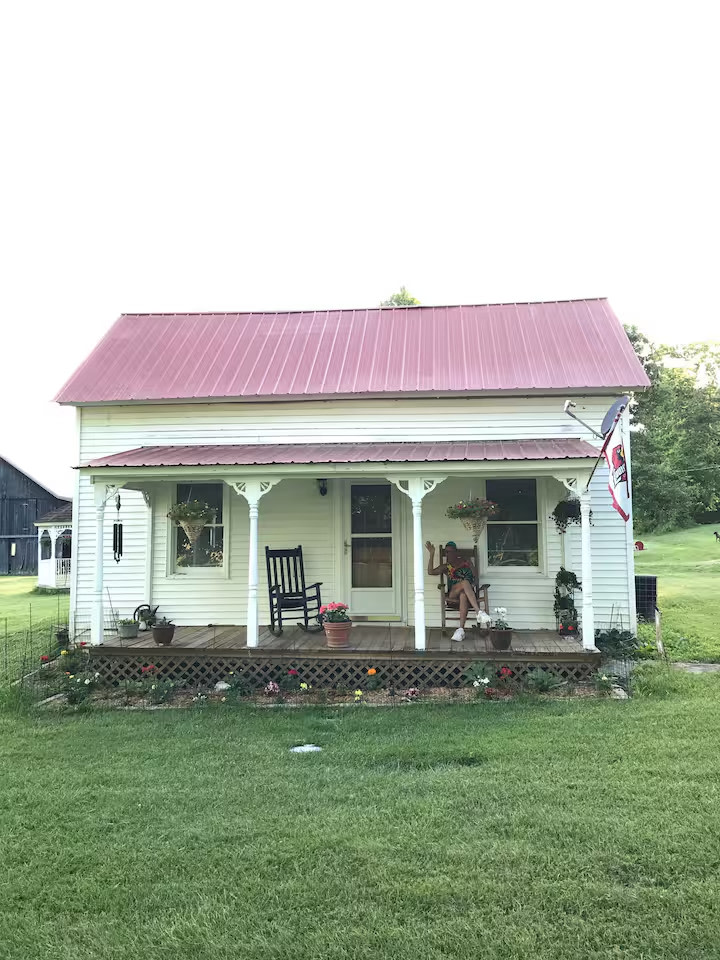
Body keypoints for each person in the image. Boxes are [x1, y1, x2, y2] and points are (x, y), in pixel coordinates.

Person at [425, 540, 488, 642]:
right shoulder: (446, 566)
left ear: (456, 552)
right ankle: (479, 612)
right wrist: (432, 553)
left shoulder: (466, 562)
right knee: (465, 582)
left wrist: (471, 565)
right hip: (453, 594)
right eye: (446, 552)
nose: (447, 554)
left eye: (450, 552)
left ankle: (460, 630)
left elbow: (476, 578)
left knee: (463, 594)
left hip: (468, 596)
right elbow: (431, 572)